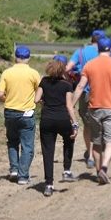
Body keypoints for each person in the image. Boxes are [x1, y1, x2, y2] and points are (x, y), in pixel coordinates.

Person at [71, 37, 111, 184]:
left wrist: (71, 105)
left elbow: (80, 87)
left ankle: (98, 172)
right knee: (110, 141)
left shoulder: (89, 65)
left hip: (94, 107)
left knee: (96, 142)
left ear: (98, 49)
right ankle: (104, 167)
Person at [0, 46, 40, 185]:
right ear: (28, 58)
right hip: (27, 113)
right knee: (27, 146)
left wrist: (7, 100)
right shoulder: (33, 73)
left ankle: (14, 169)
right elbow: (40, 90)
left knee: (12, 141)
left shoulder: (7, 73)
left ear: (15, 57)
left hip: (10, 112)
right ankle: (23, 175)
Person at [35, 58, 78, 197]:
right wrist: (75, 123)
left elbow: (36, 100)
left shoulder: (44, 81)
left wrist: (44, 101)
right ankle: (66, 170)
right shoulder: (66, 85)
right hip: (63, 119)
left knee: (48, 152)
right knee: (69, 140)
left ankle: (48, 184)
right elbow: (69, 106)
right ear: (62, 70)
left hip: (47, 120)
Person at [65, 29, 104, 169]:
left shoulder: (80, 52)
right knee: (101, 123)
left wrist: (71, 78)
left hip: (85, 92)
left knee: (88, 125)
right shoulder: (104, 53)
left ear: (91, 39)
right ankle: (99, 152)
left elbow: (67, 68)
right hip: (102, 93)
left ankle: (90, 154)